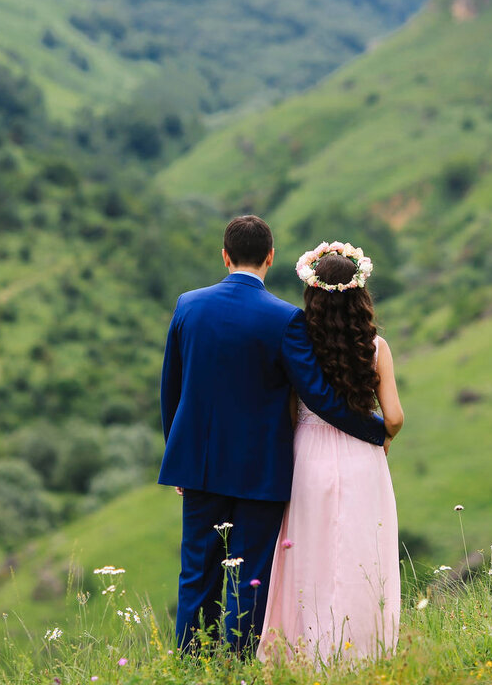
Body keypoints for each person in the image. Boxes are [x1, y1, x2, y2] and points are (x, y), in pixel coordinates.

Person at [158, 216, 387, 654]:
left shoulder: (187, 306)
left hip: (199, 465)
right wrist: (376, 431)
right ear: (271, 257)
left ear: (225, 256)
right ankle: (239, 668)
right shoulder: (285, 319)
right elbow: (318, 395)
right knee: (250, 579)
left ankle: (192, 669)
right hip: (260, 473)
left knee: (196, 576)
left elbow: (172, 388)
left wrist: (179, 455)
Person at [258, 241, 405, 665]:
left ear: (313, 293)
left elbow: (289, 411)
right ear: (361, 294)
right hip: (362, 457)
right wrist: (385, 435)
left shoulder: (300, 347)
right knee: (362, 551)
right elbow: (393, 416)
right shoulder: (376, 348)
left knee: (309, 550)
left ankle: (307, 651)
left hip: (309, 454)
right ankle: (363, 653)